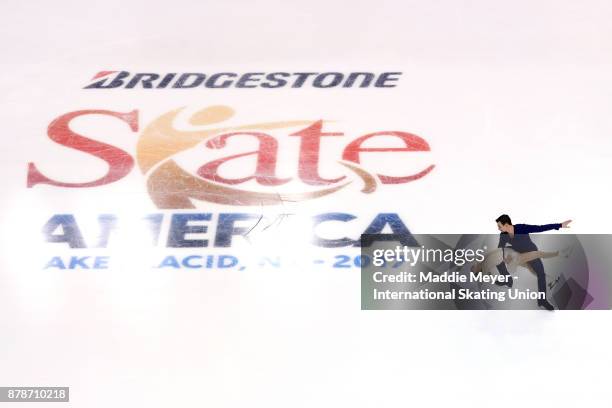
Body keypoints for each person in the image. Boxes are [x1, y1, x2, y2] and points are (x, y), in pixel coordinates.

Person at [494, 214, 572, 311]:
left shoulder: (522, 228)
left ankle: (542, 300)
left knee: (541, 275)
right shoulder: (503, 235)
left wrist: (559, 225)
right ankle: (507, 280)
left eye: (499, 226)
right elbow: (500, 248)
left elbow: (540, 228)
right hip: (519, 254)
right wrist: (503, 256)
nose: (498, 228)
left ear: (506, 225)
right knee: (497, 257)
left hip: (532, 254)